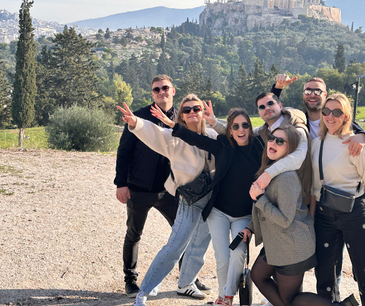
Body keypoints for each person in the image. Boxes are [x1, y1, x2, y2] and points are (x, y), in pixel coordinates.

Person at [153, 105, 264, 306]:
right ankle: (225, 297)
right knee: (222, 258)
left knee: (238, 252)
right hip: (219, 212)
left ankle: (228, 294)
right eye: (236, 126)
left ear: (250, 128)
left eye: (245, 125)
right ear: (229, 130)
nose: (241, 130)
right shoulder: (223, 145)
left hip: (244, 216)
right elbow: (196, 139)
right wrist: (173, 125)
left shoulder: (259, 149)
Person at [113, 75, 208, 297]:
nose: (161, 92)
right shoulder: (138, 117)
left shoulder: (184, 117)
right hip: (139, 188)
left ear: (173, 91)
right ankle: (130, 280)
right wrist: (121, 184)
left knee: (185, 234)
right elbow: (124, 152)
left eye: (165, 88)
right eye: (157, 89)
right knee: (134, 234)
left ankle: (188, 278)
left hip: (171, 191)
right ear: (152, 93)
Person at [240, 125, 357, 306]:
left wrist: (260, 199)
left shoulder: (286, 178)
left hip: (291, 247)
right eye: (271, 138)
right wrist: (250, 227)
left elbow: (285, 220)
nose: (273, 142)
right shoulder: (270, 170)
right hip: (278, 244)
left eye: (280, 141)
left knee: (290, 301)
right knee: (257, 275)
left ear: (291, 148)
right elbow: (263, 210)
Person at [311, 93, 365, 306]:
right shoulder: (317, 144)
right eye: (326, 111)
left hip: (355, 211)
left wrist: (355, 197)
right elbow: (316, 184)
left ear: (346, 116)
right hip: (325, 213)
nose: (330, 116)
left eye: (337, 112)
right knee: (325, 273)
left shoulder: (355, 144)